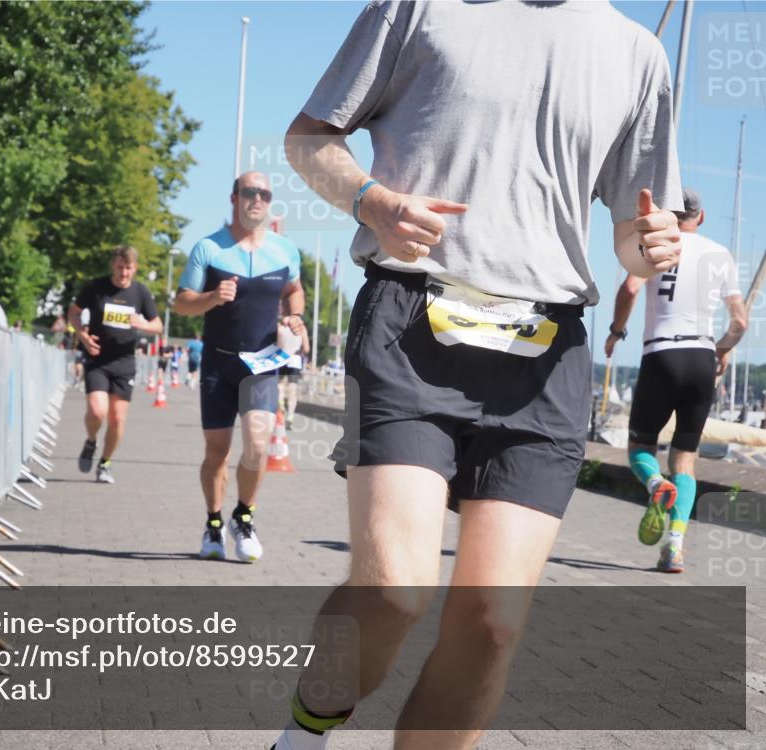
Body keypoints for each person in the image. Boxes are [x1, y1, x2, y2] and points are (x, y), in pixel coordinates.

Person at [278, 2, 683, 748]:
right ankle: (304, 733)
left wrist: (649, 244)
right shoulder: (418, 8)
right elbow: (309, 139)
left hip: (546, 350)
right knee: (393, 591)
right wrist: (372, 200)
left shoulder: (637, 54)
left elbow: (633, 232)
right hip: (412, 324)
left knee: (492, 625)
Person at [605, 187, 746, 573]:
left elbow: (630, 288)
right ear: (700, 218)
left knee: (640, 451)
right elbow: (740, 322)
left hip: (661, 354)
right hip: (701, 357)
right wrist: (722, 349)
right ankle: (675, 545)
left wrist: (617, 332)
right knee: (684, 460)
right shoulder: (720, 254)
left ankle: (654, 486)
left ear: (671, 215)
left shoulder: (658, 243)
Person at [174, 172, 306, 562]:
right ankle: (213, 524)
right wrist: (212, 297)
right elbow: (181, 302)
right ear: (234, 198)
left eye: (265, 193)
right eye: (250, 192)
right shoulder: (208, 248)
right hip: (218, 361)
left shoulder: (284, 250)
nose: (257, 199)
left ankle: (243, 517)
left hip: (263, 363)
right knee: (217, 450)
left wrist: (295, 316)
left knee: (258, 443)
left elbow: (294, 290)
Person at [69, 245, 163, 484]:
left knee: (117, 419)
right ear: (113, 265)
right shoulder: (96, 288)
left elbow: (158, 326)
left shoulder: (140, 292)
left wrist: (141, 324)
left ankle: (105, 463)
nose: (124, 274)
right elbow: (74, 312)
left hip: (124, 362)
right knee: (96, 411)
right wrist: (82, 336)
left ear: (135, 268)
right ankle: (91, 441)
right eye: (120, 268)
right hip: (98, 359)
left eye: (128, 269)